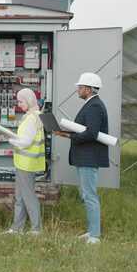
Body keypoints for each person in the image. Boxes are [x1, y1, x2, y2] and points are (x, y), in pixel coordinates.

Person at [53, 72, 109, 245]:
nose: (77, 89)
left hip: (88, 157)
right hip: (85, 157)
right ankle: (92, 231)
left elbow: (91, 133)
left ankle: (95, 236)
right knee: (86, 195)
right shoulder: (92, 104)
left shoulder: (94, 106)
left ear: (88, 88)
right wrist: (65, 133)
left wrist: (70, 137)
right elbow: (85, 130)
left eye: (80, 87)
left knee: (89, 195)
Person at [3, 88, 45, 235]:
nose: (18, 104)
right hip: (25, 162)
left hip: (26, 163)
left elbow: (26, 142)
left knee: (28, 196)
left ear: (28, 100)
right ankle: (16, 228)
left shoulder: (31, 118)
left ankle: (36, 229)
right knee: (20, 196)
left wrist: (11, 140)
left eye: (21, 101)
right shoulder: (35, 115)